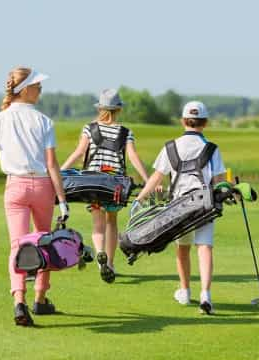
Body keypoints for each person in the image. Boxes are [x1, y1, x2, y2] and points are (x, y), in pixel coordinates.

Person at [0, 67, 69, 326]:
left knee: (18, 246)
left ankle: (19, 302)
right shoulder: (44, 121)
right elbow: (52, 165)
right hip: (42, 187)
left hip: (14, 188)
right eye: (37, 86)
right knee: (44, 243)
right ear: (25, 89)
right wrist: (62, 200)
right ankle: (40, 300)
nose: (40, 90)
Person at [132, 101, 226, 314]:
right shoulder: (212, 148)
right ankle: (206, 294)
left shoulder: (170, 147)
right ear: (206, 123)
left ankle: (184, 291)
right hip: (205, 204)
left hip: (179, 206)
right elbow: (220, 181)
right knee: (204, 247)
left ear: (183, 121)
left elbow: (156, 178)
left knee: (182, 248)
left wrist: (140, 199)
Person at [61, 89, 152, 283]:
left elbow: (79, 152)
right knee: (112, 221)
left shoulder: (89, 128)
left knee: (97, 223)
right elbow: (133, 157)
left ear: (100, 108)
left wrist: (60, 172)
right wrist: (148, 179)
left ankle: (100, 255)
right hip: (115, 186)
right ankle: (110, 263)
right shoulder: (126, 132)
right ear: (118, 109)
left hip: (92, 184)